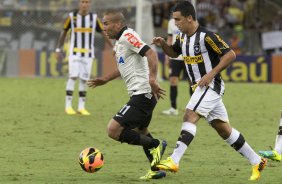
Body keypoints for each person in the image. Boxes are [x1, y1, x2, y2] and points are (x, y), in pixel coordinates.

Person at [152, 1, 267, 181]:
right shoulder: (182, 38)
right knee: (223, 129)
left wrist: (211, 74)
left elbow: (230, 54)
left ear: (190, 18)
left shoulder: (207, 36)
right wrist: (162, 45)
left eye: (178, 20)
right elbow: (174, 54)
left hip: (210, 85)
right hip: (200, 88)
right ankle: (257, 161)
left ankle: (174, 160)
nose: (175, 23)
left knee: (189, 115)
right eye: (174, 20)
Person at [87, 10, 167, 180]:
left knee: (113, 130)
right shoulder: (119, 43)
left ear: (117, 24)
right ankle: (155, 168)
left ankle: (156, 145)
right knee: (141, 130)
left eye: (106, 23)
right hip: (143, 95)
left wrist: (152, 78)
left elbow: (151, 53)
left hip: (143, 94)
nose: (104, 27)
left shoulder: (128, 36)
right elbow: (123, 67)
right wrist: (105, 79)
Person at [55, 0, 112, 115]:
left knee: (84, 79)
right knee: (73, 76)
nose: (85, 4)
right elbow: (64, 32)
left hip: (88, 54)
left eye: (87, 2)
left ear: (89, 4)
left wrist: (113, 46)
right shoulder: (72, 17)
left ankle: (81, 107)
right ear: (79, 3)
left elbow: (103, 33)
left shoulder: (94, 18)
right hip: (74, 52)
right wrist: (58, 49)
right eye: (82, 2)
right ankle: (68, 106)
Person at [162, 17, 192, 116]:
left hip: (188, 57)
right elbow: (170, 39)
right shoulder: (171, 22)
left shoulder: (190, 20)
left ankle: (194, 109)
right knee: (173, 80)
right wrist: (167, 56)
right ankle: (173, 108)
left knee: (192, 82)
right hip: (175, 57)